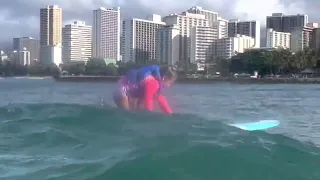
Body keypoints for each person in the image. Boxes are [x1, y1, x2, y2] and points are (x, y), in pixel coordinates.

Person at [113, 65, 177, 114]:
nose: (170, 85)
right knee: (128, 114)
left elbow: (162, 101)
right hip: (122, 91)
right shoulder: (154, 83)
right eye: (170, 83)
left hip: (125, 91)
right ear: (164, 78)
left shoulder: (157, 87)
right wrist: (149, 115)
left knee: (134, 113)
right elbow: (148, 101)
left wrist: (170, 115)